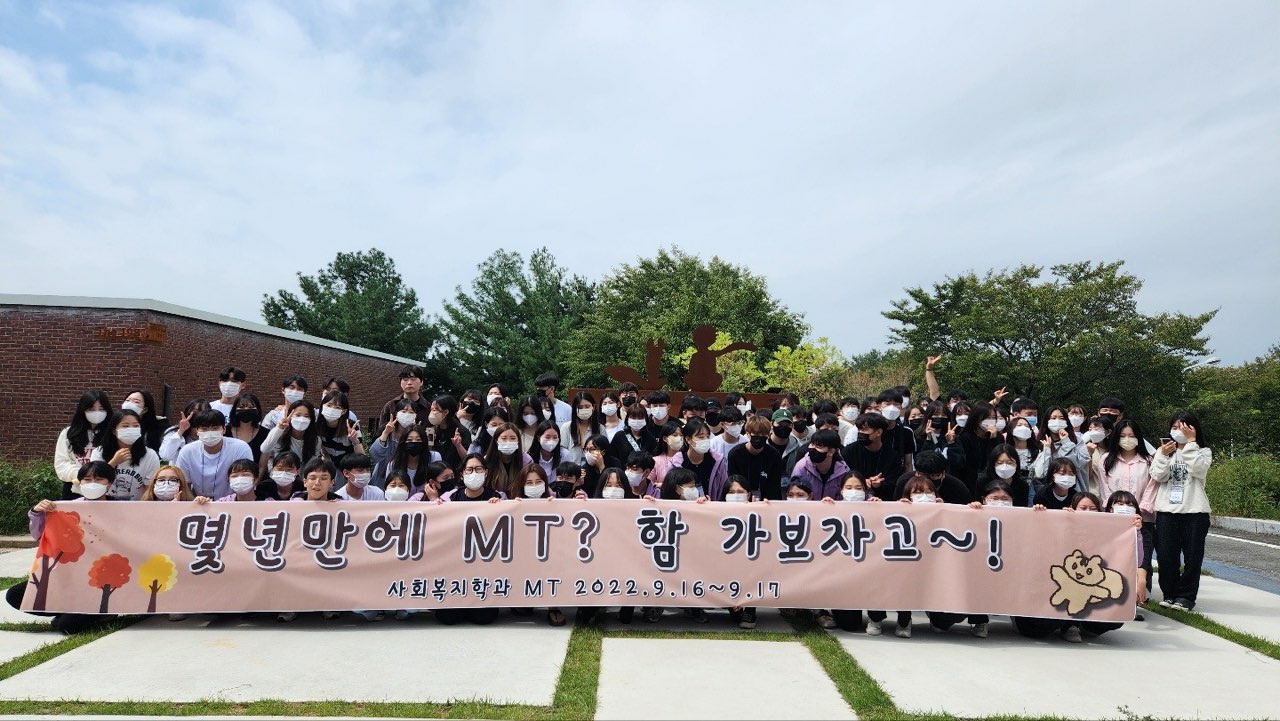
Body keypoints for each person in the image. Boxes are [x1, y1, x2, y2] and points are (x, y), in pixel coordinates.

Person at [6, 462, 119, 634]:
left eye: (99, 479)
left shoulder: (123, 509)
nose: (92, 483)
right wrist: (37, 512)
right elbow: (40, 536)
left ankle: (100, 612)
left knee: (68, 627)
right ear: (80, 483)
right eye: (87, 479)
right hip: (68, 578)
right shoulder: (65, 509)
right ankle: (74, 611)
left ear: (109, 483)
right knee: (15, 595)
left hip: (101, 582)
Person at [1150, 411, 1212, 612]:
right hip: (1167, 512)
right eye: (1175, 427)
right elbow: (1157, 475)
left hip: (1195, 512)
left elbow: (1198, 470)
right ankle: (1169, 594)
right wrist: (1162, 454)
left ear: (1194, 430)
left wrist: (1191, 443)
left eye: (1185, 427)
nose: (1179, 431)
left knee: (1193, 558)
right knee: (1166, 557)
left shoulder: (1203, 451)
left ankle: (1186, 597)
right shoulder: (1164, 451)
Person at [1097, 419, 1157, 592]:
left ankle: (1142, 593)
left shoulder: (1148, 461)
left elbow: (1153, 486)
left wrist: (1142, 508)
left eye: (1131, 435)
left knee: (1143, 555)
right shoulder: (1106, 460)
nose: (1127, 439)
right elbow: (1104, 488)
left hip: (1142, 518)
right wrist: (1112, 509)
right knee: (1115, 556)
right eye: (1123, 436)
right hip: (1114, 519)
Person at [176, 409, 254, 499]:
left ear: (224, 429)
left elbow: (246, 480)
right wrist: (194, 503)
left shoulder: (240, 448)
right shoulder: (187, 451)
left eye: (215, 428)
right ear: (197, 431)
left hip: (232, 502)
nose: (210, 432)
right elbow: (184, 485)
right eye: (204, 428)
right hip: (199, 502)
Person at [89, 409, 161, 500]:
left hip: (136, 506)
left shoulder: (150, 455)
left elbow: (149, 489)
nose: (131, 429)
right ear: (114, 431)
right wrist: (113, 463)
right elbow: (94, 482)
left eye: (136, 426)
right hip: (105, 504)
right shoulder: (99, 452)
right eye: (125, 426)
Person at [54, 389, 111, 499]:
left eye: (101, 409)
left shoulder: (112, 434)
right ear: (83, 410)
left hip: (104, 491)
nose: (97, 412)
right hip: (74, 490)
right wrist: (82, 475)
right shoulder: (69, 433)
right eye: (91, 409)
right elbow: (61, 463)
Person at [842, 413, 903, 501]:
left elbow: (894, 483)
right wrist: (861, 481)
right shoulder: (849, 451)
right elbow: (843, 476)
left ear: (878, 432)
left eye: (865, 429)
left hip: (881, 500)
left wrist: (879, 484)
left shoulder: (892, 455)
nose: (861, 433)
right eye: (859, 429)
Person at [727, 414, 785, 501]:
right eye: (756, 434)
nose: (760, 437)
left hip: (766, 501)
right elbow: (733, 482)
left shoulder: (774, 455)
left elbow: (774, 485)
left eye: (763, 434)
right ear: (748, 434)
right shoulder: (735, 454)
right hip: (741, 499)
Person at [790, 429, 849, 502]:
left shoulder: (843, 470)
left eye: (819, 446)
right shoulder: (802, 467)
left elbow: (844, 498)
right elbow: (794, 494)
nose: (813, 448)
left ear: (831, 451)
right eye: (812, 444)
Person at [260, 400, 325, 467]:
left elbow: (312, 464)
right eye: (298, 415)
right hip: (279, 471)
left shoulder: (315, 440)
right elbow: (265, 449)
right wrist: (279, 428)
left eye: (306, 416)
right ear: (290, 416)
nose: (302, 419)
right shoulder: (280, 435)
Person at [893, 451, 970, 504]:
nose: (928, 481)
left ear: (943, 474)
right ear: (916, 473)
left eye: (933, 476)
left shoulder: (958, 489)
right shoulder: (904, 482)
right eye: (924, 476)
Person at [679, 418, 729, 500]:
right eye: (701, 437)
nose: (705, 440)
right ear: (688, 439)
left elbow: (724, 490)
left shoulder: (717, 461)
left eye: (708, 436)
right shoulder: (677, 463)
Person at [974, 444, 1031, 509]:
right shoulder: (982, 482)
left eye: (1009, 463)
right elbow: (977, 505)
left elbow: (1022, 509)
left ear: (1016, 464)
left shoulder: (1022, 486)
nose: (1004, 466)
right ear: (993, 464)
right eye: (999, 463)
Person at [317, 391, 363, 467]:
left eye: (337, 407)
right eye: (328, 405)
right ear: (322, 406)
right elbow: (323, 452)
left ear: (344, 411)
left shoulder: (351, 427)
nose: (332, 409)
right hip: (329, 466)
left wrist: (355, 442)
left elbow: (362, 457)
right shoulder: (318, 425)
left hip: (348, 467)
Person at [159, 399, 211, 464]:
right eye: (195, 412)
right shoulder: (174, 432)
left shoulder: (211, 434)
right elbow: (165, 456)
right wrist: (181, 431)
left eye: (203, 412)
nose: (199, 415)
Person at [427, 395, 471, 469]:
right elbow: (429, 455)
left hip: (454, 472)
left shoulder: (461, 431)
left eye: (435, 410)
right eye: (431, 409)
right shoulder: (433, 430)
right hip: (436, 471)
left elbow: (468, 459)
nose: (432, 413)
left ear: (446, 412)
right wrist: (429, 443)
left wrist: (458, 445)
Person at [440, 454, 507, 502]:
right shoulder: (450, 497)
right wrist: (437, 503)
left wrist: (500, 505)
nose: (474, 473)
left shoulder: (498, 496)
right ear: (462, 475)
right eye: (469, 469)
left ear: (486, 473)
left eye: (479, 469)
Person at [226, 393, 270, 466]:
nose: (246, 409)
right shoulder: (225, 432)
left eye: (251, 407)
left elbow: (262, 465)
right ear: (234, 410)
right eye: (241, 406)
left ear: (258, 410)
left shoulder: (265, 433)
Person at [561, 391, 602, 463]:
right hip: (571, 468)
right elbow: (562, 452)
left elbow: (603, 451)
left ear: (593, 407)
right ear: (575, 409)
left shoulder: (600, 428)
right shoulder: (566, 427)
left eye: (587, 406)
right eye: (580, 407)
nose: (584, 409)